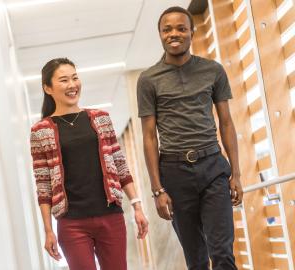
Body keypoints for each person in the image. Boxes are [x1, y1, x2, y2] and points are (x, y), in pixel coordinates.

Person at [137, 6, 244, 270]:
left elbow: (226, 122)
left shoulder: (213, 70)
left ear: (192, 32)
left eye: (181, 28)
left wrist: (237, 174)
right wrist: (157, 190)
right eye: (167, 29)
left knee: (222, 252)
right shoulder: (148, 79)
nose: (174, 34)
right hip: (174, 174)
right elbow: (149, 137)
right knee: (196, 260)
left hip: (212, 168)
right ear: (160, 34)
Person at [30, 57, 149, 270]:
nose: (72, 85)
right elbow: (43, 185)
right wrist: (49, 230)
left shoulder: (101, 118)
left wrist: (137, 206)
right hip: (71, 223)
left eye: (75, 78)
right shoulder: (41, 131)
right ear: (48, 88)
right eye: (64, 80)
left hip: (110, 216)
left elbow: (120, 166)